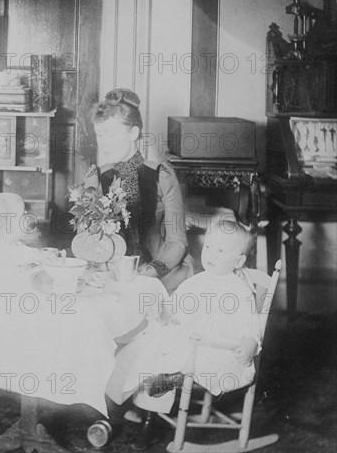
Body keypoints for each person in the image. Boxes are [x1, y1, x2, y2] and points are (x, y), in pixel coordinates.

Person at [106, 219, 259, 450]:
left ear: (238, 261)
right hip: (187, 340)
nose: (210, 254)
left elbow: (250, 324)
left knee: (163, 358)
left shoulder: (239, 290)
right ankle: (125, 401)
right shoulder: (196, 281)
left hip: (214, 351)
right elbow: (175, 306)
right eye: (208, 246)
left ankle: (151, 418)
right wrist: (163, 313)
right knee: (143, 344)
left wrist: (249, 344)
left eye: (220, 250)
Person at [86, 88, 190, 292]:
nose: (103, 143)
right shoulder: (95, 177)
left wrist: (149, 273)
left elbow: (177, 242)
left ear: (133, 133)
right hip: (108, 273)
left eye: (111, 134)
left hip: (160, 273)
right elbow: (89, 239)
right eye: (99, 135)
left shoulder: (163, 176)